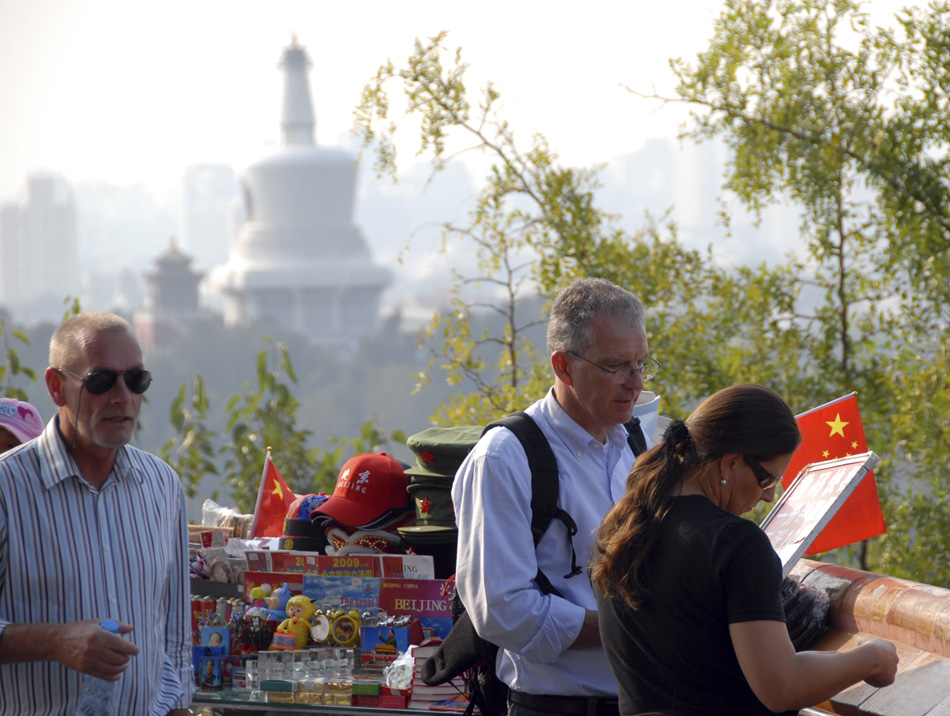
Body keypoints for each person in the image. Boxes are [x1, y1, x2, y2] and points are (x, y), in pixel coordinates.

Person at [591, 384, 899, 716]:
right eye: (767, 479)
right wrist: (872, 658)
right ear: (730, 464)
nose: (769, 496)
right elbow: (782, 687)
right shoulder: (735, 542)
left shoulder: (620, 526)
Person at [453, 277, 658, 716]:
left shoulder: (639, 447)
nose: (634, 383)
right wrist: (630, 627)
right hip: (555, 706)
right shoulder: (505, 459)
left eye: (641, 364)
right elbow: (502, 611)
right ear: (563, 366)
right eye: (615, 367)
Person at [0, 312, 194, 715]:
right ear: (57, 386)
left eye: (136, 380)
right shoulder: (7, 488)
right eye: (102, 381)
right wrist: (56, 641)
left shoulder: (162, 486)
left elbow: (174, 638)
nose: (122, 396)